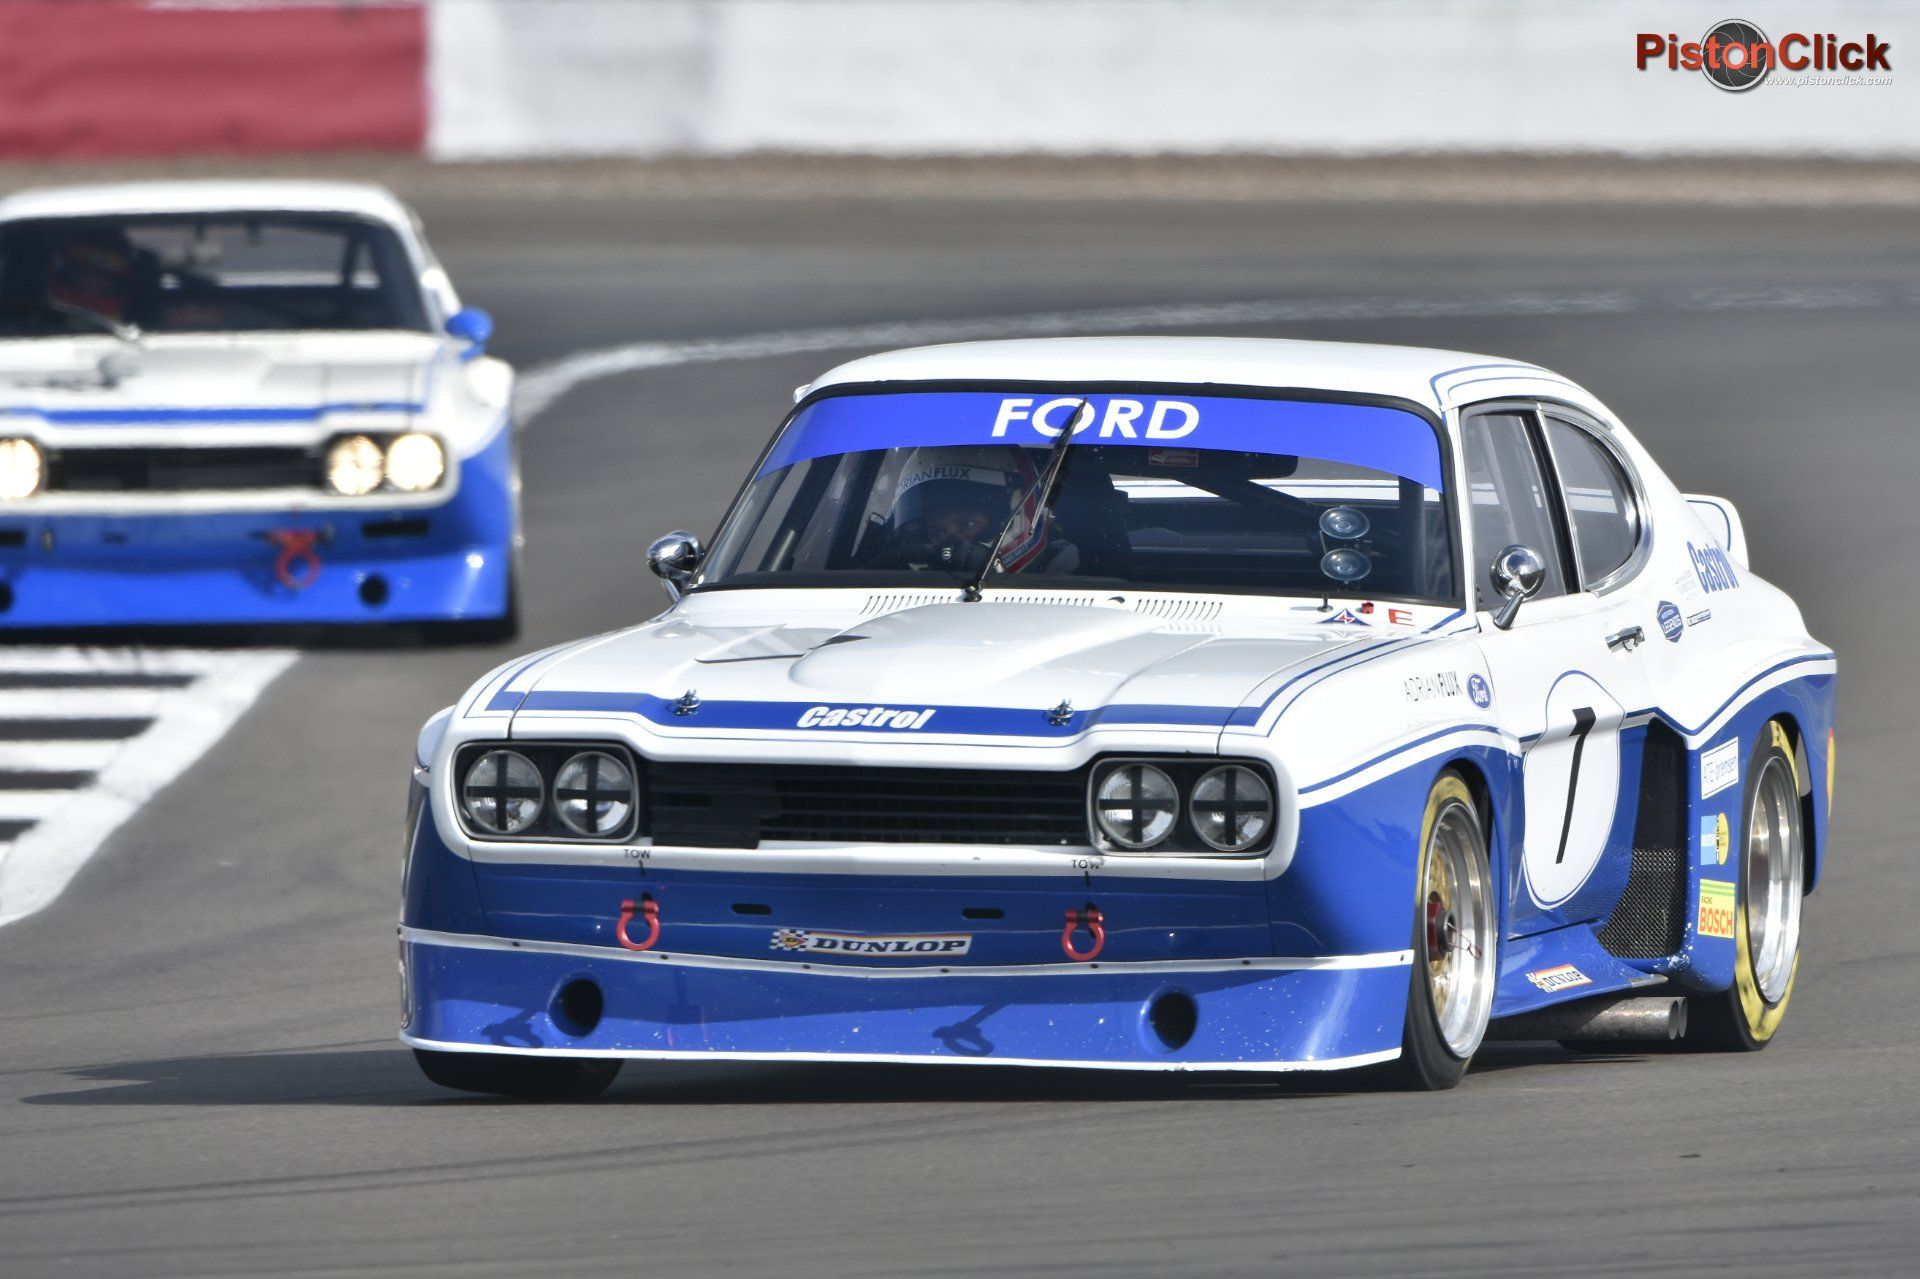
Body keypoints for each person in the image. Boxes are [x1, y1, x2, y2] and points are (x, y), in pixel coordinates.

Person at [868, 445, 1080, 575]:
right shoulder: (893, 584)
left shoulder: (1078, 580)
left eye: (968, 524)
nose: (951, 544)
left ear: (1016, 519)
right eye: (937, 532)